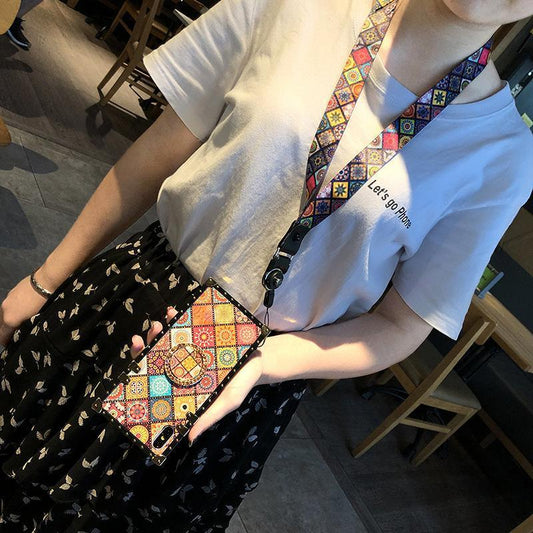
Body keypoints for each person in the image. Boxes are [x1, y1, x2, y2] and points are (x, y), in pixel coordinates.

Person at [1, 0, 532, 530]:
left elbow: (402, 324)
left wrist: (261, 364)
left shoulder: (504, 156)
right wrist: (45, 281)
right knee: (19, 465)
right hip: (127, 303)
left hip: (245, 378)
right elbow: (157, 152)